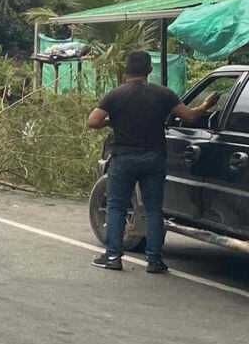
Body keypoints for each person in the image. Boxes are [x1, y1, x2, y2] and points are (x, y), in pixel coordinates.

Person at [87, 51, 219, 273]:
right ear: (149, 70)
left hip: (124, 157)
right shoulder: (163, 94)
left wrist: (113, 121)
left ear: (126, 70)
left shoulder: (115, 95)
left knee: (117, 206)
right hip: (154, 157)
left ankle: (112, 256)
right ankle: (155, 260)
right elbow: (189, 117)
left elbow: (93, 121)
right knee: (154, 209)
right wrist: (205, 105)